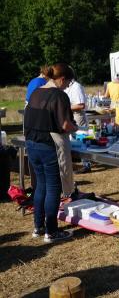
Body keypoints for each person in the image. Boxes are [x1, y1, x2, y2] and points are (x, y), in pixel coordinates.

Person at [24, 63, 78, 243]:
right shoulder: (59, 96)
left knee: (40, 185)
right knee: (53, 188)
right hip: (48, 146)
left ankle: (38, 227)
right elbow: (65, 125)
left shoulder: (36, 92)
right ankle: (52, 231)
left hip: (31, 144)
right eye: (68, 83)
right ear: (62, 79)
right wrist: (77, 127)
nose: (67, 87)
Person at [64, 73, 91, 174]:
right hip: (70, 115)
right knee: (73, 140)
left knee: (81, 139)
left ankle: (86, 164)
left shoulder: (76, 87)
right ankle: (76, 161)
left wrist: (65, 107)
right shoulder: (67, 87)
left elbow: (81, 105)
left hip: (77, 116)